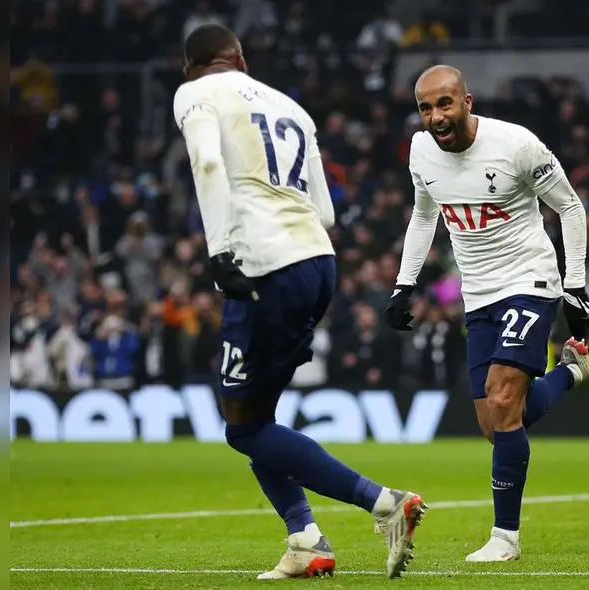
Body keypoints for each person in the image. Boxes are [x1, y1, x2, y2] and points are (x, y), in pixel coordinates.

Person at [172, 24, 425, 580]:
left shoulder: (194, 94)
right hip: (318, 261)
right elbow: (327, 211)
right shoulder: (291, 106)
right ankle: (305, 540)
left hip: (264, 266)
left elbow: (209, 165)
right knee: (260, 420)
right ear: (240, 57)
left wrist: (219, 253)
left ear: (188, 66)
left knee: (243, 428)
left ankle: (384, 504)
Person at [386, 65, 589, 562]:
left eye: (444, 104)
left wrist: (575, 285)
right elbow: (426, 214)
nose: (435, 117)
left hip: (530, 281)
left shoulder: (516, 145)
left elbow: (570, 208)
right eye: (425, 108)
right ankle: (572, 372)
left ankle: (505, 538)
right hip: (479, 294)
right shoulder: (421, 151)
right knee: (495, 421)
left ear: (467, 102)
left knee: (502, 396)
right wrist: (405, 283)